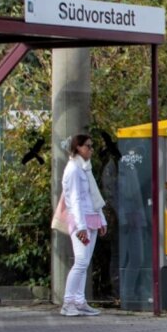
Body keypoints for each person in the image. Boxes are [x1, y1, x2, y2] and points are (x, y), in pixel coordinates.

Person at [60, 134, 106, 316]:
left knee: (84, 262)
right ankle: (68, 302)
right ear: (78, 147)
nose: (91, 149)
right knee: (80, 261)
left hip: (91, 218)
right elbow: (75, 200)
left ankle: (79, 301)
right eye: (88, 146)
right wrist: (80, 227)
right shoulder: (73, 169)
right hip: (81, 221)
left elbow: (92, 197)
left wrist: (101, 219)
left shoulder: (85, 168)